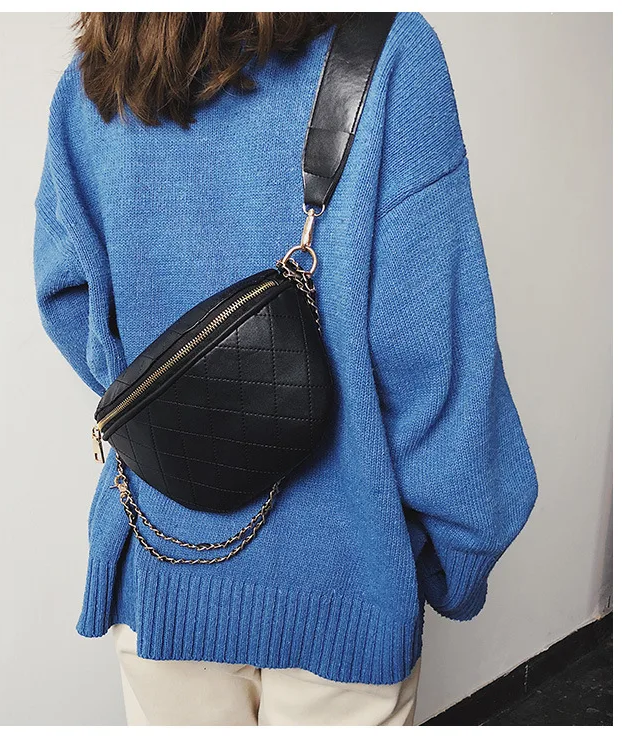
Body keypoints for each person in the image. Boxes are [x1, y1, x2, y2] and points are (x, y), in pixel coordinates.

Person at [33, 11, 537, 727]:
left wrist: (179, 424)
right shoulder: (387, 54)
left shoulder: (95, 82)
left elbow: (68, 298)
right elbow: (435, 363)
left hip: (158, 561)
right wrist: (452, 561)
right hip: (344, 582)